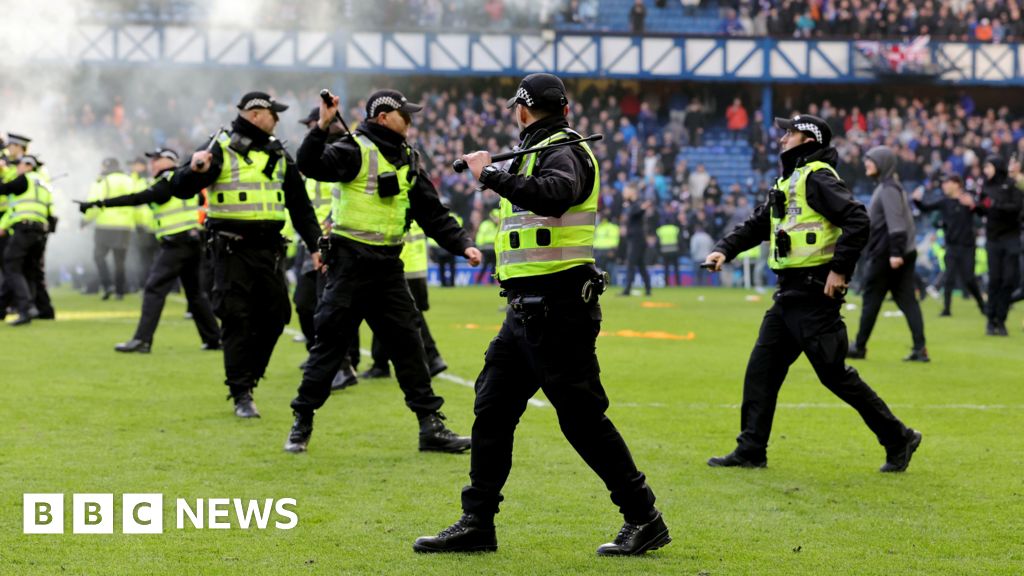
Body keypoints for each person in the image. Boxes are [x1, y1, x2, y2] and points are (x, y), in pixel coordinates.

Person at [415, 73, 670, 556]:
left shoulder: (564, 151)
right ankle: (478, 521)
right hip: (527, 313)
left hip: (559, 311)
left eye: (517, 107)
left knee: (582, 420)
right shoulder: (545, 148)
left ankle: (644, 517)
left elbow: (555, 195)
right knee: (491, 406)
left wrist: (488, 174)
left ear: (524, 109)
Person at [703, 114, 921, 473]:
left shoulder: (817, 176)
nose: (782, 138)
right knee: (762, 371)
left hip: (814, 295)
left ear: (808, 139)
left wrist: (839, 269)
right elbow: (759, 224)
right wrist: (723, 249)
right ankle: (751, 449)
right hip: (790, 294)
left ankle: (899, 437)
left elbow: (858, 220)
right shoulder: (791, 179)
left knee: (835, 376)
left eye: (790, 132)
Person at [284, 88, 481, 454]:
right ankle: (302, 421)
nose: (411, 119)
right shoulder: (353, 149)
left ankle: (430, 427)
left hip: (389, 268)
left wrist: (462, 243)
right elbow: (309, 164)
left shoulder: (408, 157)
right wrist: (322, 126)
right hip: (349, 266)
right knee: (329, 347)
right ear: (384, 116)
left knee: (410, 347)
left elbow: (432, 212)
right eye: (404, 113)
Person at [172, 91, 323, 418]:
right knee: (237, 317)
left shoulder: (279, 153)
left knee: (276, 317)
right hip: (231, 249)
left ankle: (250, 377)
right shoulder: (220, 147)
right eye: (274, 113)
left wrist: (316, 246)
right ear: (256, 114)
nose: (277, 119)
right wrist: (195, 170)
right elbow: (180, 187)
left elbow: (300, 207)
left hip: (269, 250)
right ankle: (241, 392)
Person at [76, 148, 221, 352]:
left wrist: (98, 204)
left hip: (176, 242)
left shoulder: (168, 181)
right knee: (195, 294)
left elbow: (135, 198)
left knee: (154, 288)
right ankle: (214, 339)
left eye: (156, 160)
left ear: (170, 161)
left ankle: (142, 340)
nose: (152, 164)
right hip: (192, 240)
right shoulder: (185, 180)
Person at [292, 108, 359, 389]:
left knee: (329, 307)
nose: (311, 128)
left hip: (334, 240)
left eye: (314, 123)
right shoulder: (314, 155)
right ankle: (334, 360)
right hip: (312, 241)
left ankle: (344, 364)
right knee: (309, 304)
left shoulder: (343, 152)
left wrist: (333, 224)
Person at [848, 146, 929, 362]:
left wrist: (895, 253)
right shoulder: (890, 186)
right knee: (906, 301)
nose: (867, 163)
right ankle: (920, 348)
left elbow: (896, 225)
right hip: (897, 252)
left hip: (889, 255)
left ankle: (859, 347)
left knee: (871, 299)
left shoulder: (888, 189)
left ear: (883, 163)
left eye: (871, 160)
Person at [359, 220, 449, 380]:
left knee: (407, 314)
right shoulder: (412, 203)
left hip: (400, 265)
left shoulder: (394, 205)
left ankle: (432, 356)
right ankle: (380, 363)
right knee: (381, 311)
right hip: (415, 265)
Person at [911, 174, 986, 317]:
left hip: (967, 246)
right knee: (949, 277)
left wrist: (973, 205)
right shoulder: (944, 202)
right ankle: (946, 309)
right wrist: (916, 200)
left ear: (957, 184)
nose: (944, 186)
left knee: (969, 279)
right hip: (951, 246)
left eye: (947, 183)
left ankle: (982, 305)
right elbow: (926, 208)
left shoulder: (967, 199)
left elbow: (982, 215)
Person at [0, 155, 53, 325]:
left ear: (29, 166)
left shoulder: (24, 180)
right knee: (32, 270)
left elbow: (4, 189)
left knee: (11, 265)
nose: (17, 169)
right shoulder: (44, 184)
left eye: (19, 165)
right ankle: (45, 310)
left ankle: (26, 309)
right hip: (41, 231)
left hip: (24, 229)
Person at [976, 155, 1023, 336]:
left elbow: (1017, 207)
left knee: (1009, 280)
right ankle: (991, 319)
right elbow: (982, 210)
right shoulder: (985, 186)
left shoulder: (1011, 185)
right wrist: (975, 206)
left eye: (988, 167)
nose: (986, 170)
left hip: (1011, 237)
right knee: (994, 279)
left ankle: (1001, 319)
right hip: (993, 238)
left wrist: (996, 205)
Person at [82, 158, 138, 300]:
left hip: (105, 225)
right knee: (120, 260)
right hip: (125, 226)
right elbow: (138, 201)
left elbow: (95, 203)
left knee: (99, 257)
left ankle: (107, 285)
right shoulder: (129, 180)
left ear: (105, 167)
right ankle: (120, 291)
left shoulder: (102, 181)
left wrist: (86, 220)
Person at [619, 186, 652, 296]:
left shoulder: (636, 204)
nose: (624, 193)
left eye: (626, 191)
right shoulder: (630, 204)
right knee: (641, 264)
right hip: (636, 239)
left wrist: (643, 208)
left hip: (637, 239)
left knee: (631, 263)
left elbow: (638, 212)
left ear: (632, 193)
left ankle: (627, 289)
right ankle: (648, 289)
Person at [474, 208, 498, 284]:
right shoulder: (485, 224)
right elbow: (480, 236)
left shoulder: (498, 225)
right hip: (486, 248)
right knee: (485, 266)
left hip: (494, 248)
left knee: (493, 266)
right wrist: (479, 247)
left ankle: (491, 282)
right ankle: (478, 281)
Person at [655, 216, 681, 286]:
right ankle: (678, 283)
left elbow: (657, 242)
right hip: (674, 251)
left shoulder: (660, 230)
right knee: (676, 268)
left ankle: (667, 283)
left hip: (665, 252)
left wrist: (659, 252)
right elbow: (680, 240)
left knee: (666, 268)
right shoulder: (675, 229)